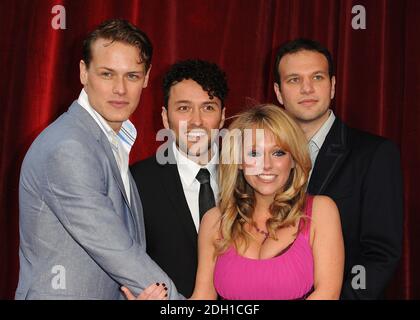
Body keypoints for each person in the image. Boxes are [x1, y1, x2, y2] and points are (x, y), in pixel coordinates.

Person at [16, 19, 182, 300]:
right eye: (107, 74)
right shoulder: (70, 147)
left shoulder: (109, 142)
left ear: (146, 77)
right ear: (84, 72)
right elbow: (116, 250)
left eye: (131, 75)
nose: (120, 89)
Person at [125, 104, 344, 300]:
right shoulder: (214, 221)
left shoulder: (321, 211)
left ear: (294, 159)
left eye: (278, 153)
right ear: (239, 161)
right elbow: (203, 298)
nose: (266, 165)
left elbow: (328, 293)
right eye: (254, 153)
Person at [272, 38, 403, 299]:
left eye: (317, 77)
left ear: (332, 86)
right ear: (278, 92)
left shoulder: (374, 154)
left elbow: (380, 254)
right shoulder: (261, 157)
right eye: (294, 80)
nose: (307, 88)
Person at [130, 59, 228, 297]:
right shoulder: (137, 181)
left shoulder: (250, 177)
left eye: (208, 107)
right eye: (184, 108)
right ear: (165, 117)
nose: (196, 121)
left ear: (223, 116)